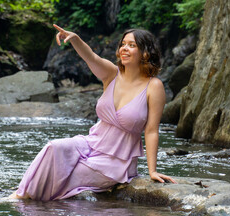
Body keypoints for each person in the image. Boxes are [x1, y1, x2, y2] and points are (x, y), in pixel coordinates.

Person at [9, 24, 177, 201]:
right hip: (90, 143)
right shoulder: (112, 73)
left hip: (115, 162)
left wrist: (152, 170)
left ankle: (21, 200)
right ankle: (20, 196)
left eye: (132, 45)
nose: (124, 48)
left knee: (64, 177)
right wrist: (75, 39)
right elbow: (91, 57)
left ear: (145, 53)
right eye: (123, 44)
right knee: (54, 148)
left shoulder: (153, 86)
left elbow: (151, 130)